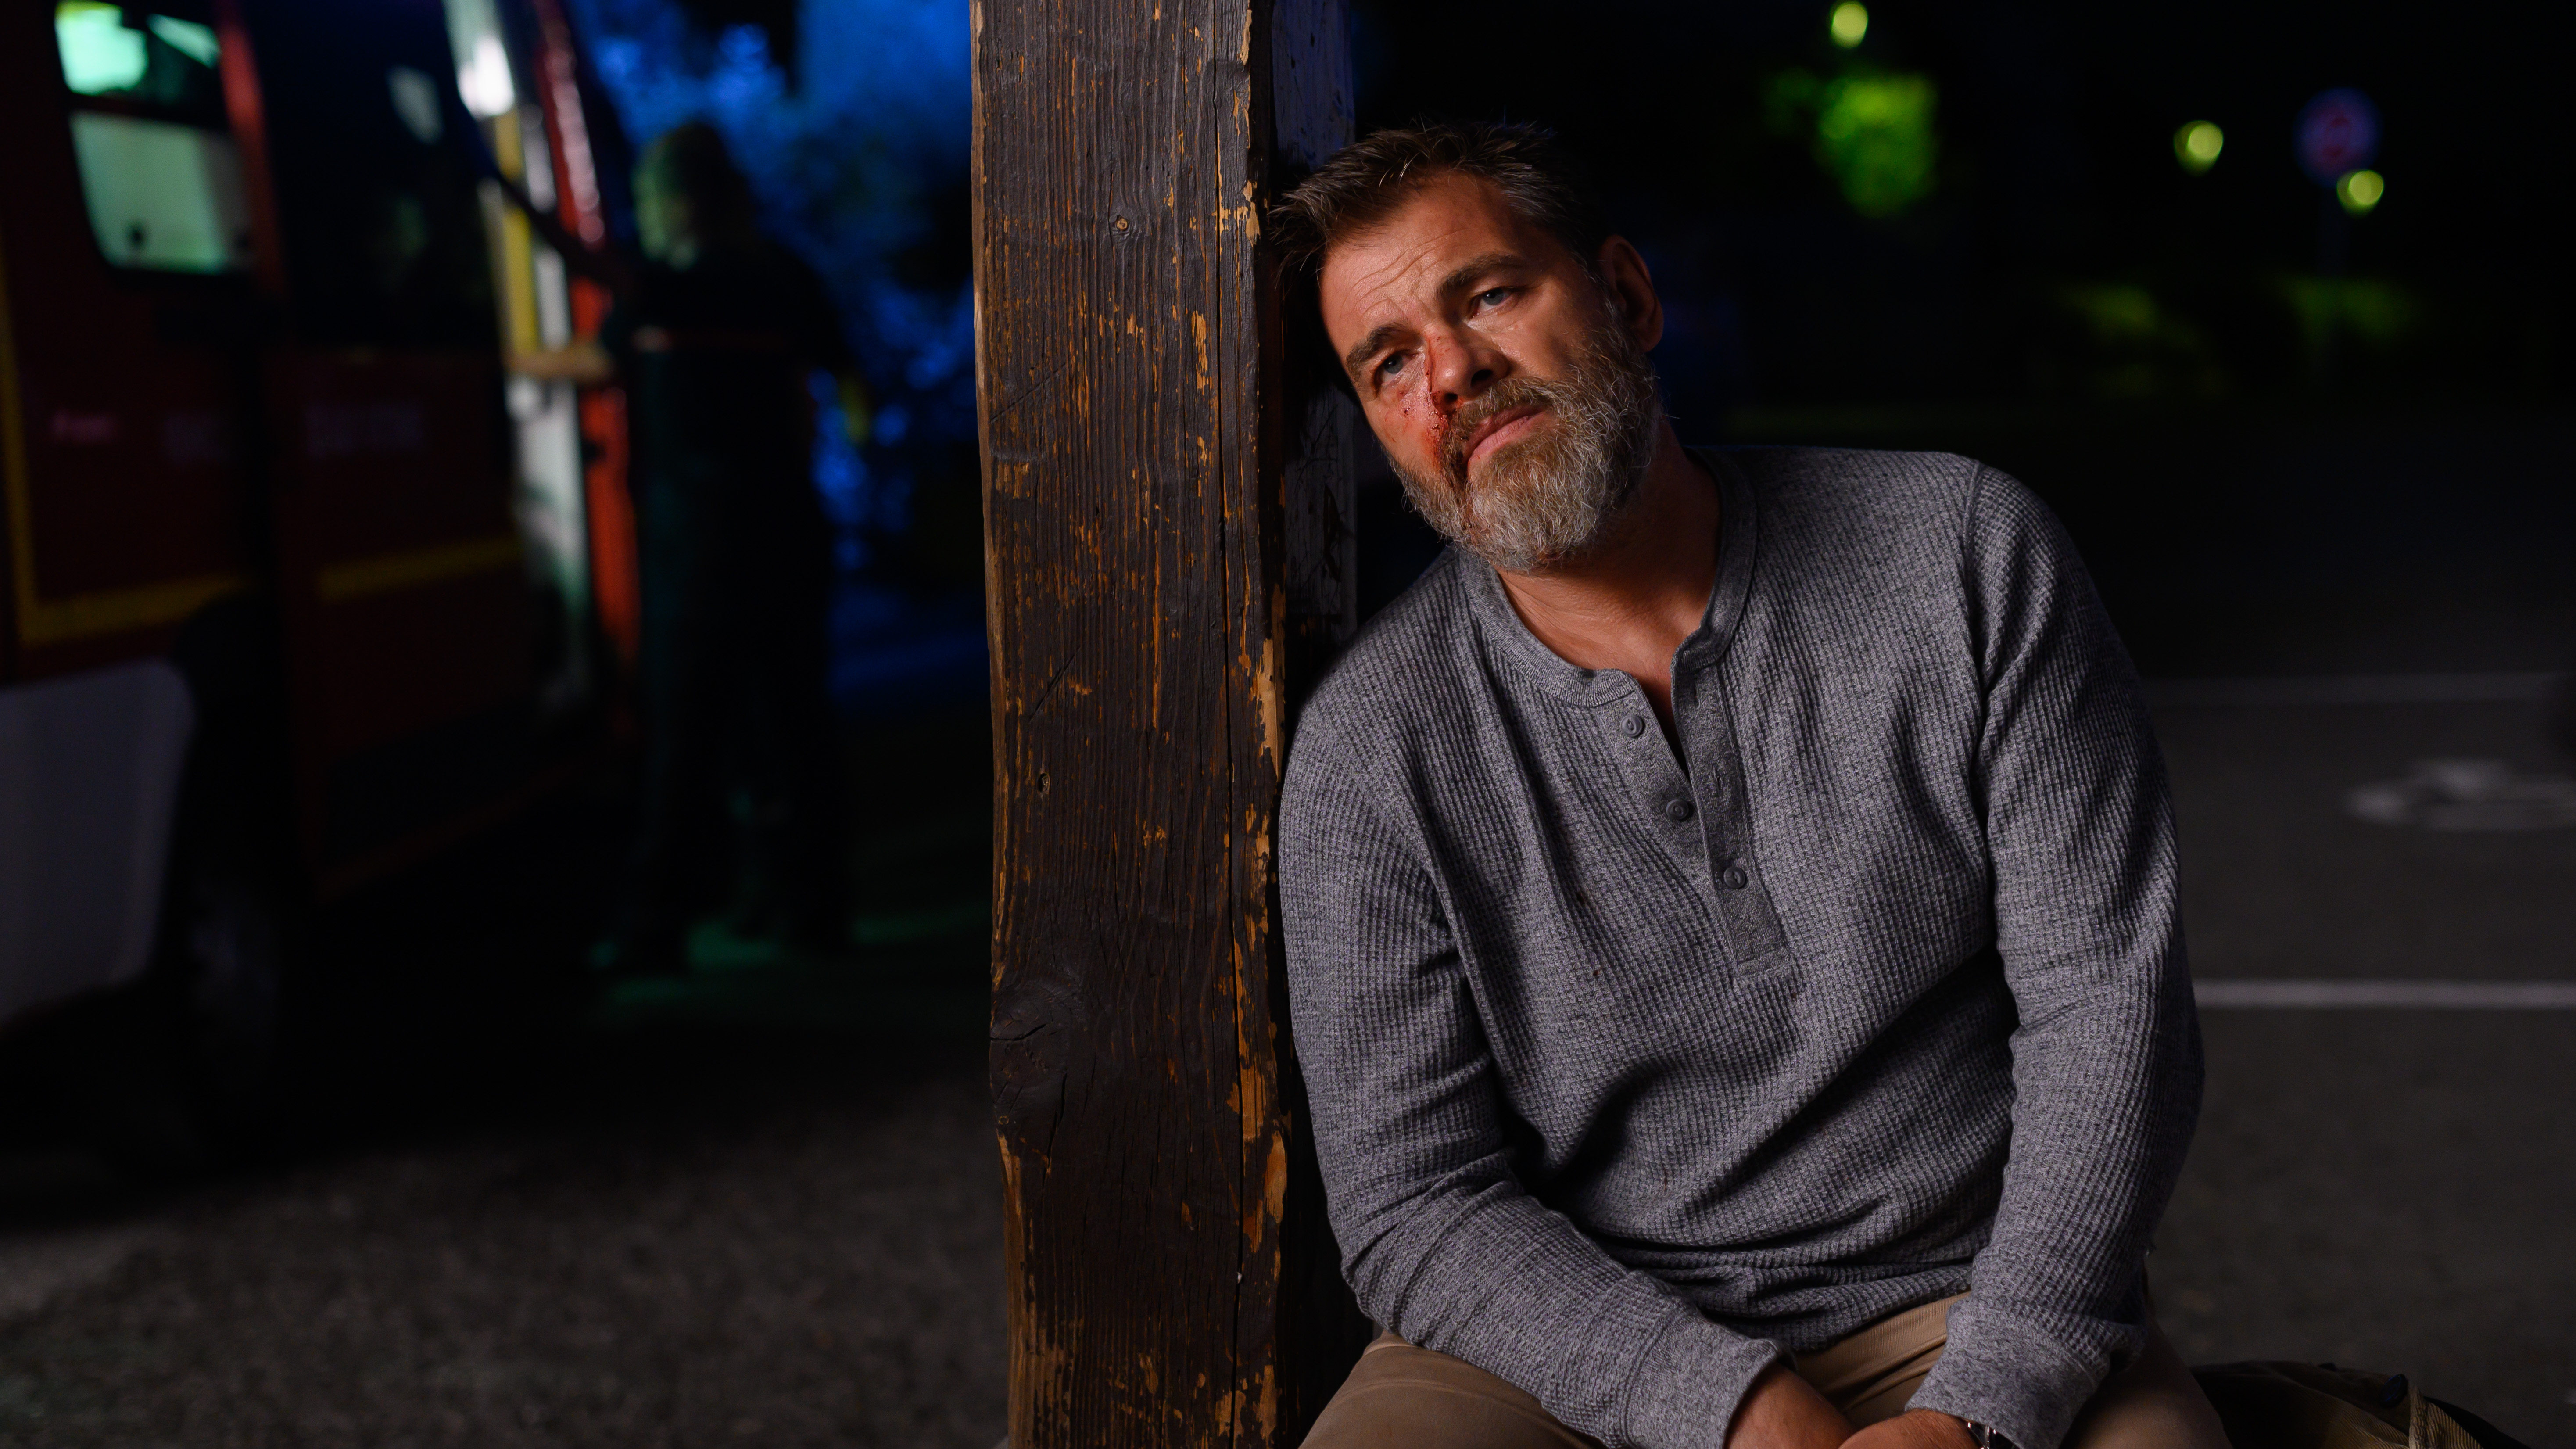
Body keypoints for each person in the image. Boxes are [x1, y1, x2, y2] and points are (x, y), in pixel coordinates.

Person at [1271, 123, 2229, 1449]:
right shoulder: (1371, 748)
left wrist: (1980, 1402)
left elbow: (2108, 1010)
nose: (1454, 373)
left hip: (1963, 1299)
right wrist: (1729, 1408)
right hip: (1570, 1344)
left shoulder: (1963, 553)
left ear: (1627, 295)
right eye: (1388, 363)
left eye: (1487, 294)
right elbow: (1415, 1202)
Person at [514, 121, 861, 973]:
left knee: (685, 736)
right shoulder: (778, 277)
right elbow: (844, 374)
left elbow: (594, 330)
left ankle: (657, 922)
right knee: (792, 724)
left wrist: (508, 350)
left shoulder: (663, 287)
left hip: (700, 549)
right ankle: (807, 902)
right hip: (786, 534)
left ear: (669, 200)